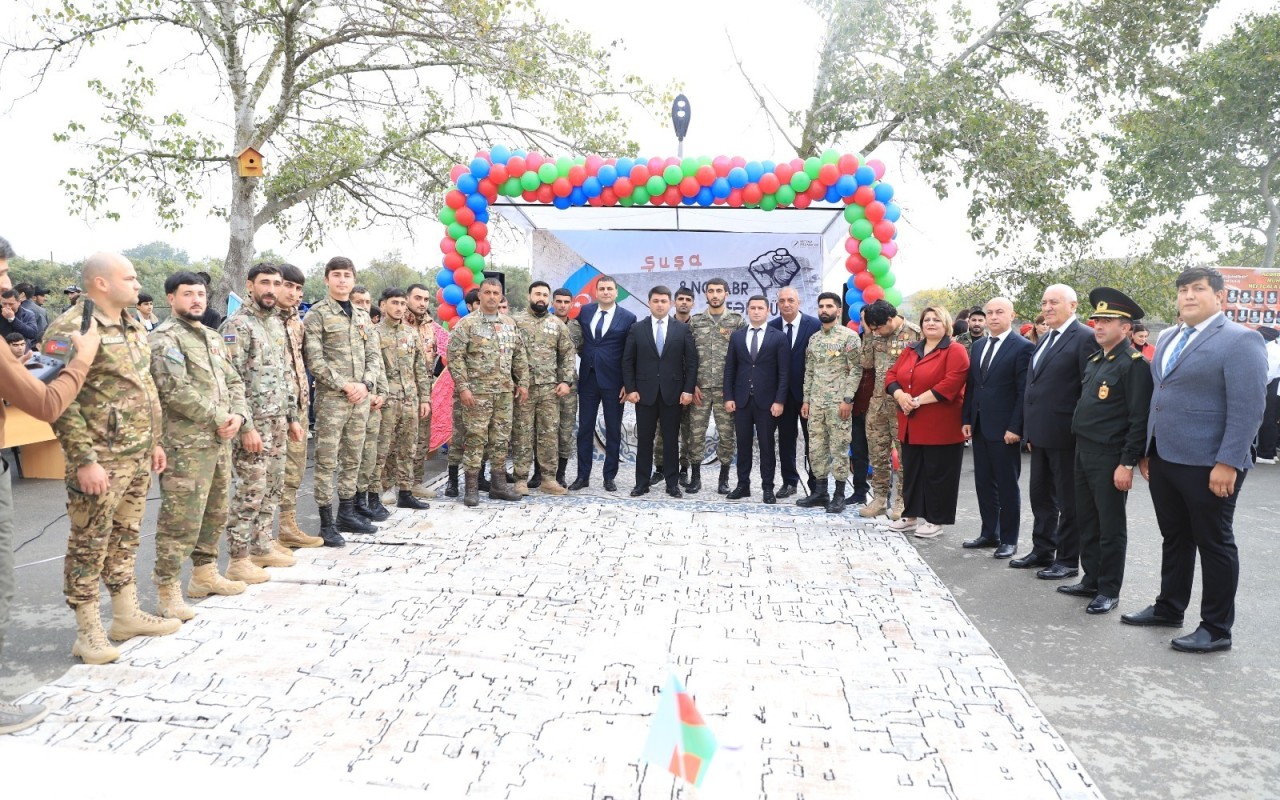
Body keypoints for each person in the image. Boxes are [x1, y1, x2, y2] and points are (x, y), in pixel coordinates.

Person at [1123, 267, 1267, 653]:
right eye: (1183, 290)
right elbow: (1160, 394)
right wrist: (1148, 450)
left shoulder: (1241, 341)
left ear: (1219, 297)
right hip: (1166, 457)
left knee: (1214, 542)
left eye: (1198, 289)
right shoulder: (1168, 336)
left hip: (1211, 462)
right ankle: (1169, 606)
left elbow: (1249, 408)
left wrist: (1230, 462)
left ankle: (1217, 628)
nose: (1188, 296)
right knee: (1176, 537)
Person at [46, 252, 180, 666]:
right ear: (101, 283)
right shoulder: (71, 328)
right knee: (89, 542)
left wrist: (154, 441)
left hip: (137, 454)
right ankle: (88, 632)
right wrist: (84, 459)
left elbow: (144, 386)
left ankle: (125, 615)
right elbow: (60, 402)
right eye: (131, 277)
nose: (139, 284)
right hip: (100, 458)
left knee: (125, 535)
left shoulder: (132, 322)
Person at [0, 236, 100, 734]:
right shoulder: (73, 330)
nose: (6, 287)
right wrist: (80, 359)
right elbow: (45, 405)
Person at [148, 271, 251, 621]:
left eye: (201, 294)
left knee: (216, 510)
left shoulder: (212, 337)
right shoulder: (164, 339)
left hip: (219, 441)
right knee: (180, 520)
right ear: (171, 298)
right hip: (185, 447)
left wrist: (238, 414)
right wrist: (219, 416)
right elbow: (174, 390)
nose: (196, 299)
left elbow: (234, 379)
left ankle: (204, 574)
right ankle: (167, 590)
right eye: (188, 293)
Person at [1055, 288, 1154, 615]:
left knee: (1110, 525)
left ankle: (1109, 589)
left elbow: (1138, 418)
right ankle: (1091, 579)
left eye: (1107, 321)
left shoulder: (1134, 364)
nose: (1098, 326)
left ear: (1126, 328)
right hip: (1083, 451)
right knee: (1088, 520)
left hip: (1111, 455)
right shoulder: (1097, 358)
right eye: (1097, 320)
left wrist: (1127, 462)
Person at [221, 263, 301, 581]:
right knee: (250, 490)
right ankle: (238, 558)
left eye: (276, 283)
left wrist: (293, 417)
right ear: (250, 285)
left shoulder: (276, 325)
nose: (271, 289)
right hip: (253, 425)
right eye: (265, 283)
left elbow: (286, 375)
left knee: (272, 487)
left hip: (278, 420)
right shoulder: (237, 325)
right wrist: (246, 426)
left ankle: (262, 545)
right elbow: (230, 379)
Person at [1013, 284, 1095, 579]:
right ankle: (1042, 549)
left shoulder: (1084, 337)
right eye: (1045, 302)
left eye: (1054, 302)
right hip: (1041, 433)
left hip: (1066, 434)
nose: (1047, 308)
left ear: (1073, 306)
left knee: (1068, 499)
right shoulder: (1046, 339)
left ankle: (1068, 559)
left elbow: (1087, 388)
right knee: (1041, 496)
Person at [303, 256, 381, 544]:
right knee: (326, 462)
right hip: (332, 400)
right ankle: (326, 522)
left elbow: (374, 357)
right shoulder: (317, 315)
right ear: (326, 279)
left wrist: (366, 384)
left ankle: (346, 513)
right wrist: (345, 385)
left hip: (360, 398)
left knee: (353, 458)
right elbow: (315, 360)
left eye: (347, 275)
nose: (342, 280)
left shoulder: (362, 316)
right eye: (336, 275)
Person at [885, 306, 970, 538]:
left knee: (938, 474)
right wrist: (900, 395)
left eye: (936, 320)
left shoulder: (955, 350)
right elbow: (891, 375)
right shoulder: (912, 349)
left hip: (940, 425)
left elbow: (950, 384)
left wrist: (916, 400)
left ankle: (935, 520)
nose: (931, 323)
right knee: (912, 472)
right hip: (911, 424)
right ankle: (910, 516)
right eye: (927, 320)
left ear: (946, 325)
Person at [960, 298, 1034, 559]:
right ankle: (989, 532)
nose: (993, 317)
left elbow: (1023, 391)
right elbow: (973, 385)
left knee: (1006, 485)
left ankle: (1009, 539)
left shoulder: (1022, 347)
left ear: (1011, 315)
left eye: (999, 312)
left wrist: (1016, 427)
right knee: (984, 483)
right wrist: (967, 418)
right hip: (980, 426)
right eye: (989, 312)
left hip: (1006, 430)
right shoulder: (979, 346)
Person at [447, 277, 529, 506]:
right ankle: (471, 487)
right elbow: (455, 357)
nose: (492, 296)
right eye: (488, 292)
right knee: (475, 439)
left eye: (496, 293)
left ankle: (498, 485)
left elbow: (519, 355)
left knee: (501, 440)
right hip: (477, 394)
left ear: (501, 296)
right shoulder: (466, 324)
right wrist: (463, 387)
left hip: (504, 393)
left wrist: (522, 382)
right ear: (480, 295)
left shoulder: (509, 324)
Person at [622, 286, 697, 498]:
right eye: (656, 301)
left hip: (673, 393)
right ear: (649, 303)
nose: (660, 304)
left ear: (670, 303)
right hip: (644, 394)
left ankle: (672, 483)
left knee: (671, 439)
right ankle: (642, 483)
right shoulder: (637, 328)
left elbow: (691, 363)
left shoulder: (681, 330)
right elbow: (627, 361)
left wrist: (688, 390)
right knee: (645, 439)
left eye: (664, 301)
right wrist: (630, 389)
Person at [796, 293, 862, 513]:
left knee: (839, 448)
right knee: (816, 449)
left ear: (839, 310)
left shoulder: (849, 337)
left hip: (838, 405)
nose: (824, 310)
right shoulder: (814, 339)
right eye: (821, 306)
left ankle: (839, 495)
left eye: (829, 306)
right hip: (816, 404)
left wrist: (847, 398)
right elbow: (809, 372)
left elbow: (856, 370)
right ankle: (820, 492)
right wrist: (806, 400)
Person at [570, 276, 636, 492]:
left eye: (610, 289)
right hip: (588, 380)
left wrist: (628, 383)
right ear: (596, 292)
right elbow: (580, 341)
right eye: (602, 289)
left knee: (614, 431)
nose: (606, 292)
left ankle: (609, 476)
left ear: (616, 292)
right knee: (584, 430)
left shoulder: (628, 317)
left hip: (614, 382)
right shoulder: (586, 312)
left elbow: (630, 353)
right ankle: (582, 476)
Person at [275, 262, 324, 548]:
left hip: (299, 408)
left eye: (298, 288)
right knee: (266, 477)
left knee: (294, 470)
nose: (293, 293)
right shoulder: (258, 322)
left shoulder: (296, 323)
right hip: (270, 412)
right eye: (288, 286)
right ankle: (260, 541)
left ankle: (286, 526)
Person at [859, 300, 921, 519]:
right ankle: (879, 499)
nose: (877, 332)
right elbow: (866, 363)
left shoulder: (915, 334)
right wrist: (867, 334)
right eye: (872, 328)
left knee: (904, 456)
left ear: (890, 319)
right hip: (878, 404)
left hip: (903, 406)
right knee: (877, 453)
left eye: (878, 327)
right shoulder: (874, 334)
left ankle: (902, 501)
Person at [723, 295, 789, 502]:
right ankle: (743, 485)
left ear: (768, 310)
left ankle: (767, 487)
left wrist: (780, 400)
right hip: (741, 400)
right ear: (748, 310)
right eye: (753, 308)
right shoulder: (737, 336)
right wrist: (728, 396)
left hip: (767, 403)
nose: (756, 311)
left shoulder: (778, 337)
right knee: (743, 445)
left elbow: (784, 372)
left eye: (760, 308)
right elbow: (730, 369)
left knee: (767, 446)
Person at [512, 281, 575, 496]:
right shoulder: (516, 322)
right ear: (529, 295)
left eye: (544, 295)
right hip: (524, 390)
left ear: (549, 299)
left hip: (550, 390)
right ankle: (520, 478)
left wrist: (566, 381)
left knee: (549, 435)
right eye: (537, 294)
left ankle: (548, 478)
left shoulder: (557, 324)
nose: (541, 298)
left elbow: (567, 354)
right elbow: (507, 353)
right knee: (522, 434)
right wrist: (513, 381)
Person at [373, 288, 432, 510]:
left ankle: (406, 490)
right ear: (383, 305)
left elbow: (421, 369)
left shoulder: (411, 334)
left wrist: (425, 398)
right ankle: (384, 487)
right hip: (386, 399)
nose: (398, 307)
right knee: (384, 446)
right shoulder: (374, 334)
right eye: (394, 303)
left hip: (410, 399)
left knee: (409, 446)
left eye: (401, 303)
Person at [687, 278, 746, 494]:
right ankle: (695, 477)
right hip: (700, 389)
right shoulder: (695, 322)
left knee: (727, 434)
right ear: (705, 294)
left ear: (726, 294)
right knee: (695, 434)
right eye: (710, 291)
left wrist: (733, 390)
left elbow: (743, 358)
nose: (714, 295)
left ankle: (724, 478)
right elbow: (688, 357)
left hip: (725, 390)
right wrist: (691, 385)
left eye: (719, 291)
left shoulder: (737, 322)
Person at [768, 286, 821, 498]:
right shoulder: (770, 327)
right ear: (777, 304)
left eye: (791, 300)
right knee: (786, 440)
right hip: (782, 396)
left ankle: (816, 482)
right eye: (782, 301)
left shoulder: (815, 326)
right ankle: (789, 482)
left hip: (809, 395)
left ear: (799, 303)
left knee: (813, 440)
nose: (786, 304)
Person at [349, 286, 391, 523]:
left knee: (372, 456)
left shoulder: (371, 332)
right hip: (353, 403)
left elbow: (378, 368)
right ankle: (351, 504)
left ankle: (364, 500)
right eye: (359, 302)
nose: (364, 306)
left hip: (374, 403)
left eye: (367, 302)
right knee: (353, 457)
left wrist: (381, 394)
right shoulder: (348, 331)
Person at [655, 286, 696, 485]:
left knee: (687, 430)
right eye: (680, 298)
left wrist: (692, 385)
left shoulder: (698, 326)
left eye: (688, 299)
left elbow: (697, 360)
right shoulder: (663, 324)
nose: (684, 302)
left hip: (689, 388)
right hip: (665, 386)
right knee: (662, 430)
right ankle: (660, 468)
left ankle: (683, 469)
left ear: (693, 304)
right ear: (674, 302)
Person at [444, 288, 483, 497]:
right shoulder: (462, 327)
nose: (481, 306)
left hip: (486, 394)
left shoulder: (490, 327)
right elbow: (454, 359)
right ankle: (452, 481)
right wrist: (463, 387)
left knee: (480, 438)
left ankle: (479, 478)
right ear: (469, 306)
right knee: (459, 436)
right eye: (477, 303)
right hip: (464, 392)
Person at [406, 283, 442, 497]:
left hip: (425, 390)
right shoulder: (399, 322)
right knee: (398, 440)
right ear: (408, 298)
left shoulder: (430, 325)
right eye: (417, 298)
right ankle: (387, 486)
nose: (422, 303)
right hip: (401, 390)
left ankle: (416, 483)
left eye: (426, 299)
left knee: (421, 439)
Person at [552, 287, 583, 488]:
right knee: (544, 431)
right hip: (545, 385)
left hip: (569, 387)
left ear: (571, 304)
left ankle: (560, 474)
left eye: (566, 302)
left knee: (565, 431)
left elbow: (583, 352)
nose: (562, 305)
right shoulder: (543, 323)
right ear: (552, 303)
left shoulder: (577, 328)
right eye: (559, 301)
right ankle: (541, 473)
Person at [1256, 326, 1280, 464]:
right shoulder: (1274, 348)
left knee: (1268, 420)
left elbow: (1268, 374)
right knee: (1272, 420)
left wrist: (1260, 386)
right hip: (1274, 386)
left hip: (1272, 386)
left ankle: (1265, 454)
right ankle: (1270, 451)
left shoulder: (1272, 350)